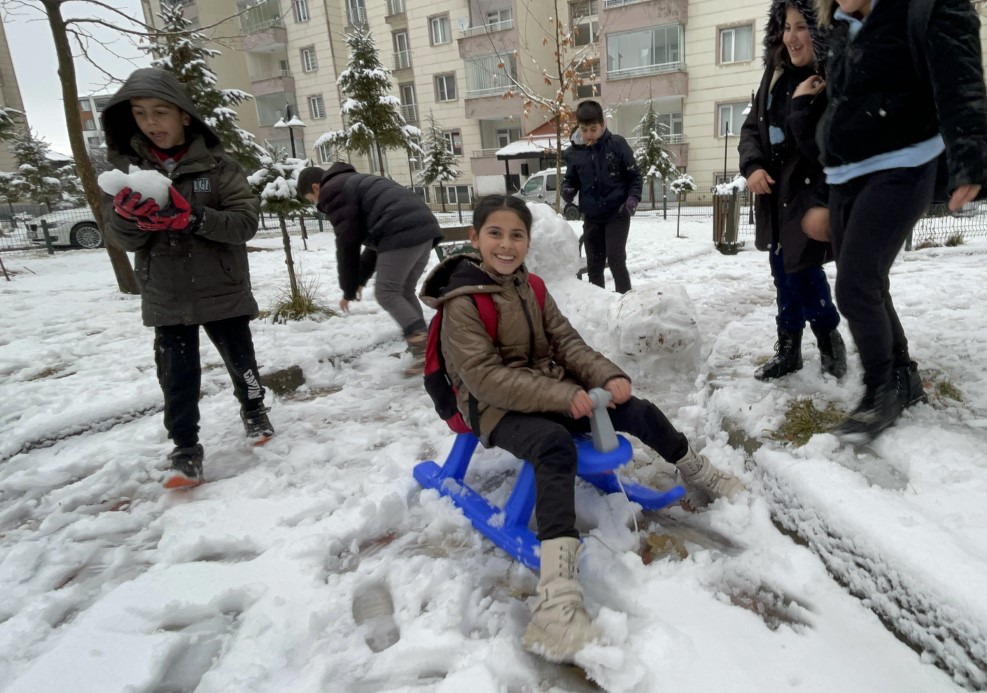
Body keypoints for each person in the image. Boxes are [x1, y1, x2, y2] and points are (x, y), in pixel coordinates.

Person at [421, 195, 743, 662]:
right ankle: (556, 604)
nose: (506, 245)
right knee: (553, 446)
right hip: (490, 406)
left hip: (546, 391)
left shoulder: (530, 286)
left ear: (528, 242)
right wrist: (560, 397)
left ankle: (697, 469)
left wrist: (606, 375)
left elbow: (566, 342)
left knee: (638, 409)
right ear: (474, 239)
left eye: (517, 235)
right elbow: (484, 377)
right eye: (495, 234)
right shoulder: (462, 303)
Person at [808, 0, 987, 442]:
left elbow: (961, 79)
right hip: (845, 175)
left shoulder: (924, 7)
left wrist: (972, 155)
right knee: (870, 282)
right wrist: (821, 194)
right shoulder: (843, 27)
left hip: (904, 164)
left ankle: (880, 390)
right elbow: (838, 112)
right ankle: (903, 376)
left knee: (854, 285)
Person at [102, 67, 273, 489]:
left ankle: (254, 410)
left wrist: (193, 217)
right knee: (177, 376)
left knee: (241, 362)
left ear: (184, 116)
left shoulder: (218, 167)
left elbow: (244, 223)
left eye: (161, 111)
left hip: (221, 287)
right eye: (141, 114)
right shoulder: (132, 172)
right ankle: (185, 449)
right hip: (167, 293)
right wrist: (128, 220)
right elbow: (120, 238)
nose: (151, 122)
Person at [739, 0, 847, 383]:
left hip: (809, 194)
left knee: (801, 270)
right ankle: (789, 348)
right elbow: (752, 129)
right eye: (786, 27)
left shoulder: (833, 79)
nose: (792, 37)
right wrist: (752, 167)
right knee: (781, 272)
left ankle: (827, 337)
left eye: (801, 26)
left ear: (818, 30)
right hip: (774, 195)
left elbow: (823, 148)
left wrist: (803, 103)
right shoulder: (775, 77)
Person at [297, 163, 443, 374]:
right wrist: (359, 280)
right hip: (423, 229)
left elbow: (348, 243)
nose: (317, 205)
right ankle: (425, 350)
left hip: (401, 231)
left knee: (387, 293)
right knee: (402, 291)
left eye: (312, 200)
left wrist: (347, 288)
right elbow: (374, 244)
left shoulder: (333, 191)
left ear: (317, 187)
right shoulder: (354, 182)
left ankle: (423, 350)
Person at [561, 100, 642, 294]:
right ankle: (599, 306)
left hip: (617, 213)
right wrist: (567, 189)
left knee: (615, 260)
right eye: (584, 130)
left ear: (603, 125)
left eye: (593, 129)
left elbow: (635, 176)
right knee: (594, 265)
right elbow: (570, 179)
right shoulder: (574, 153)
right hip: (592, 217)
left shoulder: (617, 145)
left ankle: (625, 302)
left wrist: (632, 199)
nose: (588, 135)